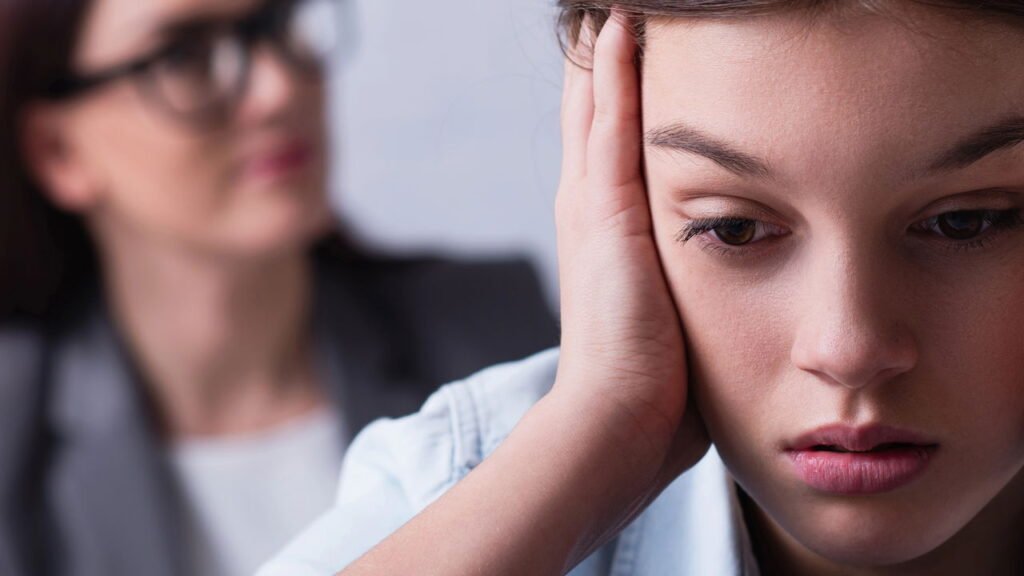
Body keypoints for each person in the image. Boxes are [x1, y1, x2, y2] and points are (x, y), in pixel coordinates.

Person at [257, 1, 1024, 575]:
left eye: (964, 223)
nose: (848, 348)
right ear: (611, 187)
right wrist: (600, 433)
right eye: (734, 229)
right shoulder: (457, 486)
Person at [0, 0, 558, 575]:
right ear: (57, 151)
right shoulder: (12, 435)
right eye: (182, 57)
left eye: (280, 24)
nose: (278, 88)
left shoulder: (498, 337)